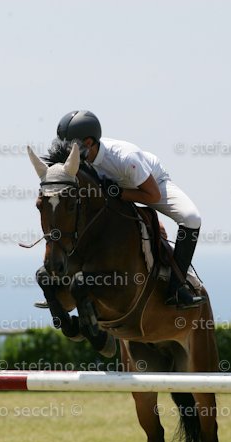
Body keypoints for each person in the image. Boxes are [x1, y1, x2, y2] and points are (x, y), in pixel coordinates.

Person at [55, 110, 206, 309]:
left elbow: (153, 196)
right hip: (116, 190)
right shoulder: (80, 157)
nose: (68, 155)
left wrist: (120, 193)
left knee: (192, 218)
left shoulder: (125, 157)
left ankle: (177, 287)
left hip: (152, 185)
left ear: (89, 142)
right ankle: (62, 285)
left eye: (71, 148)